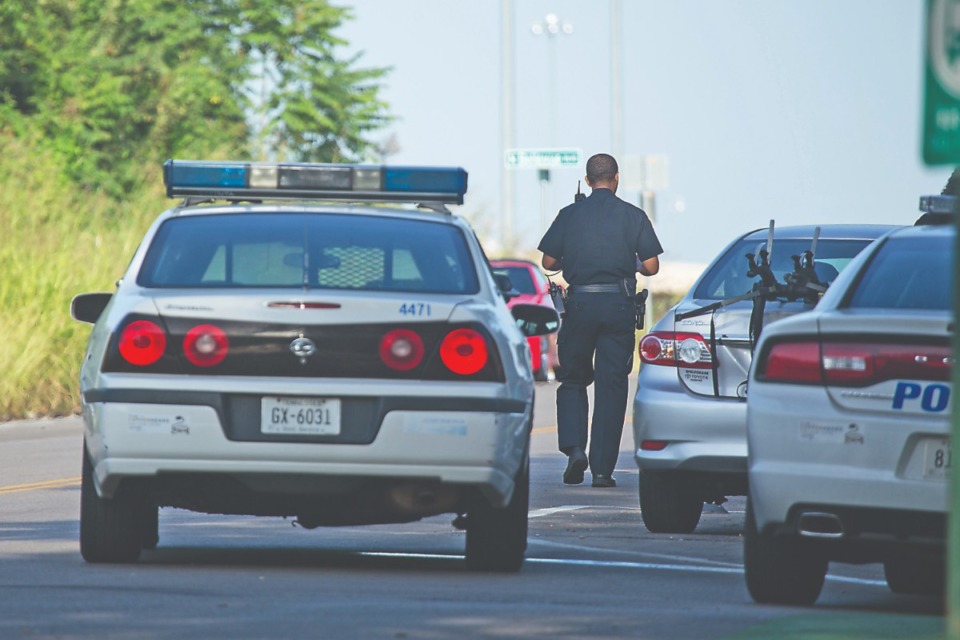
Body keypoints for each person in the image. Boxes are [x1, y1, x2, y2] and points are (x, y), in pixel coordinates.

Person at [538, 153, 662, 488]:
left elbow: (549, 261)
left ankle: (575, 449)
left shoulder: (570, 214)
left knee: (574, 380)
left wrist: (575, 255)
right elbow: (651, 266)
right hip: (618, 306)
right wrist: (631, 263)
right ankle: (603, 471)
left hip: (579, 305)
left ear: (588, 180)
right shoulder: (633, 215)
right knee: (611, 387)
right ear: (616, 178)